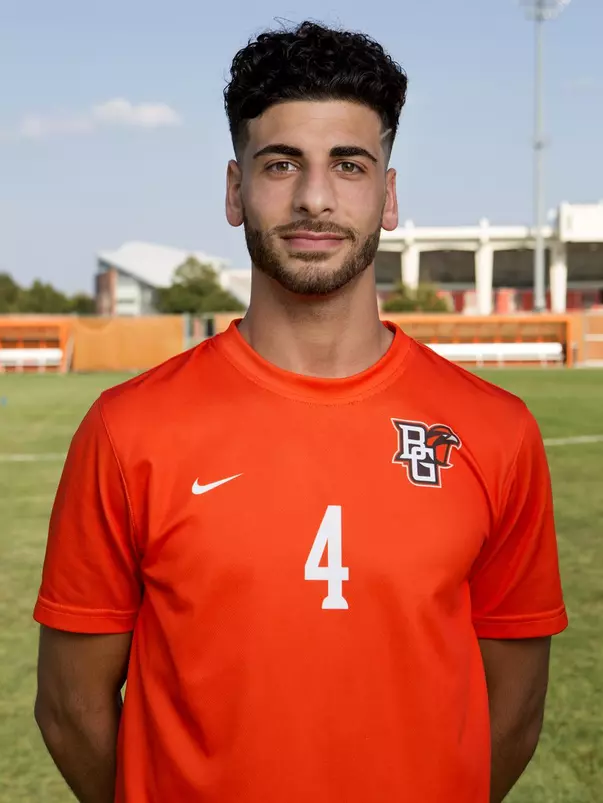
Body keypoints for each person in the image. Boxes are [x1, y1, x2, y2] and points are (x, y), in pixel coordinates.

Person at [33, 20, 568, 803]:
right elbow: (70, 710)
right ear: (233, 189)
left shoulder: (495, 431)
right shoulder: (128, 429)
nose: (314, 196)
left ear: (386, 194)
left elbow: (514, 710)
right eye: (280, 163)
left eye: (348, 165)